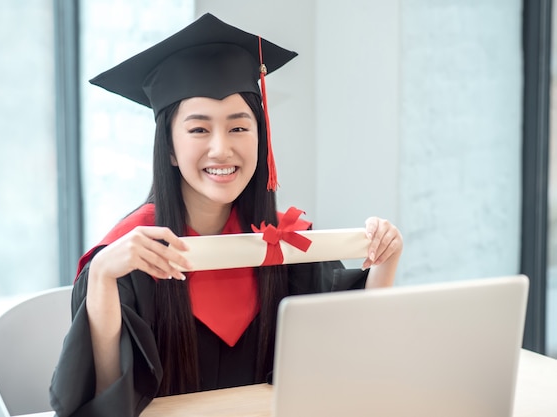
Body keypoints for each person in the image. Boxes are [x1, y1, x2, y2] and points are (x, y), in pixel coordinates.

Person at [49, 13, 403, 417]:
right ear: (169, 148)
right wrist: (102, 278)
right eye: (199, 130)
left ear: (260, 137)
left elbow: (350, 358)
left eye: (239, 128)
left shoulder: (289, 247)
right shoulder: (129, 256)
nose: (221, 149)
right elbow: (107, 398)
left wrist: (385, 259)